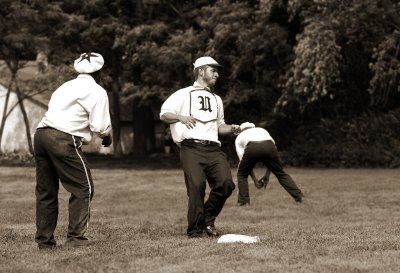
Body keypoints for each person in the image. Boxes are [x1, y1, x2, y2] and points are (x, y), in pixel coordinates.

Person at [160, 56, 248, 238]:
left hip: (213, 149)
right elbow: (164, 114)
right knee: (196, 186)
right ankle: (196, 230)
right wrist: (181, 117)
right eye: (213, 70)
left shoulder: (217, 99)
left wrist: (232, 128)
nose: (217, 74)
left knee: (226, 184)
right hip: (191, 147)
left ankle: (207, 219)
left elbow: (219, 126)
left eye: (217, 71)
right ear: (201, 71)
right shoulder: (182, 94)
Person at [34, 52, 112, 249]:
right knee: (83, 188)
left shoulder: (64, 87)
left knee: (46, 191)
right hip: (63, 138)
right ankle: (76, 238)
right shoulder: (97, 91)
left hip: (41, 134)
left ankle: (45, 242)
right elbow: (100, 126)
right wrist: (106, 136)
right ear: (99, 72)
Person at [235, 123, 304, 206]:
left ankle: (244, 202)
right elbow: (273, 148)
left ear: (242, 129)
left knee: (242, 174)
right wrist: (267, 175)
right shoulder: (262, 130)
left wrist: (254, 179)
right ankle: (299, 197)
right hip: (269, 146)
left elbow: (242, 161)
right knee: (280, 173)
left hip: (252, 147)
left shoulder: (240, 136)